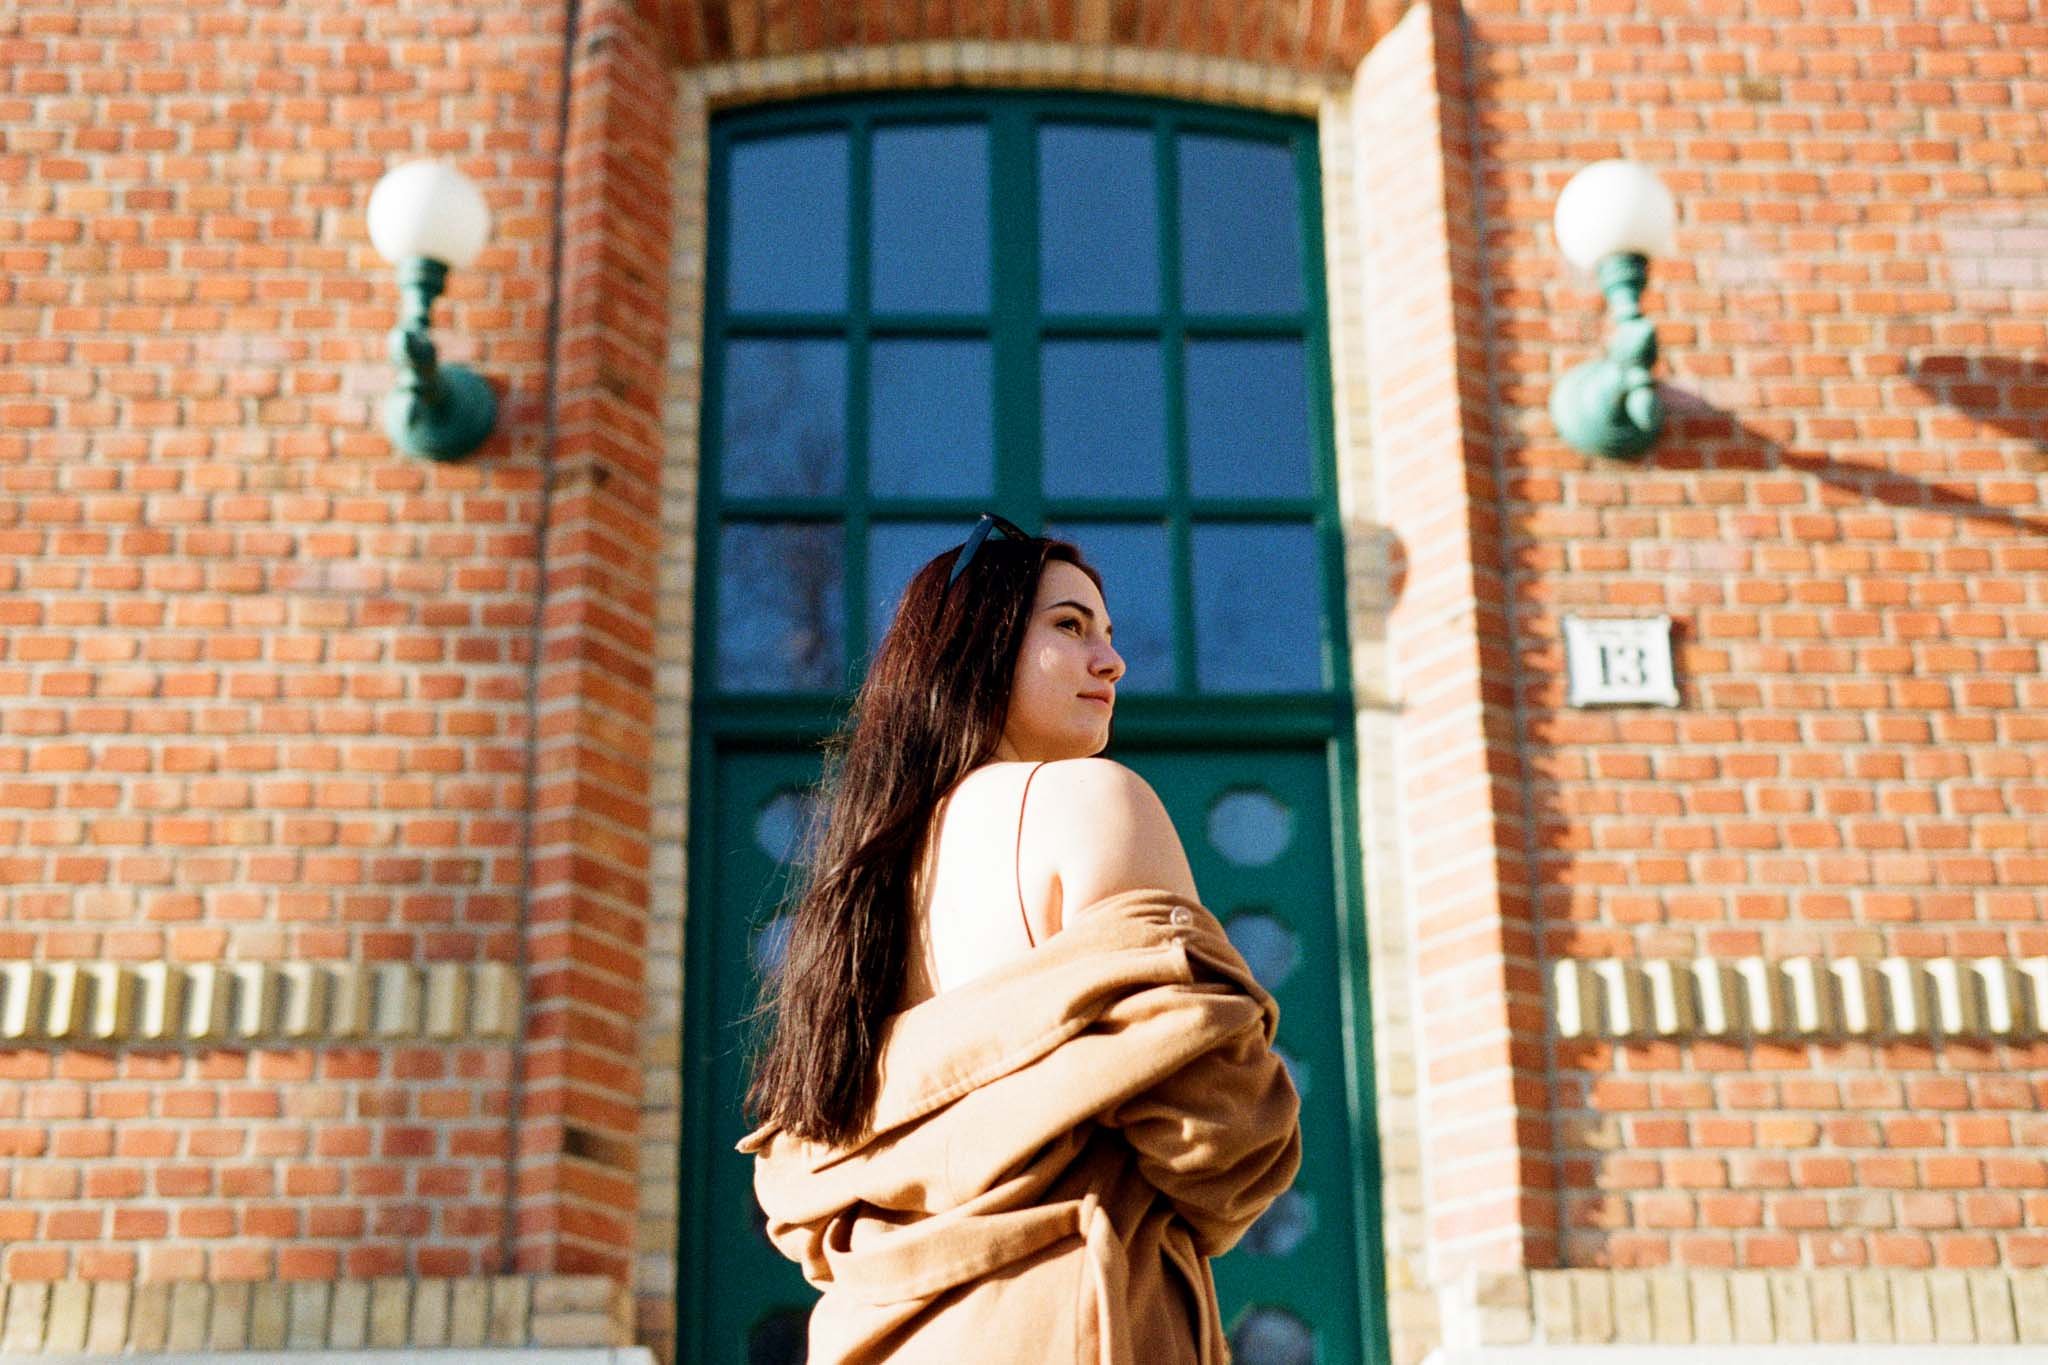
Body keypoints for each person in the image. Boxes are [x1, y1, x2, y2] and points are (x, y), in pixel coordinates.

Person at [738, 512, 1302, 1364]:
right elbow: (1221, 1137)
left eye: (1106, 634)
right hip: (1070, 1316)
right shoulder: (1090, 802)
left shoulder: (858, 901)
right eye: (1069, 627)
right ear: (976, 644)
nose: (1110, 661)